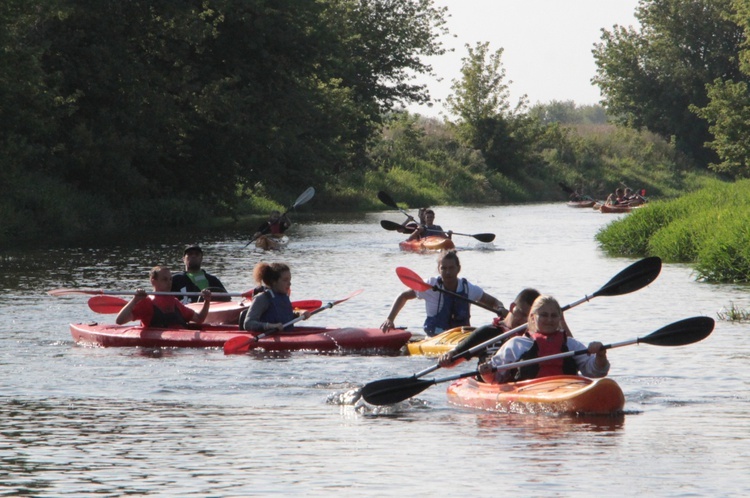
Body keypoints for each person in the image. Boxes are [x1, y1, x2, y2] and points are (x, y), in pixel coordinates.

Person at [477, 295, 609, 384]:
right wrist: (487, 373)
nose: (550, 320)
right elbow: (495, 378)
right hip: (528, 391)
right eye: (544, 315)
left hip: (566, 389)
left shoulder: (571, 344)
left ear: (559, 318)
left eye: (554, 316)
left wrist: (600, 356)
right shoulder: (517, 345)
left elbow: (596, 372)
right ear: (533, 317)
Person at [380, 250, 506, 337]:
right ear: (438, 269)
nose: (447, 272)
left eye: (451, 268)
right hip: (435, 338)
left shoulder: (469, 289)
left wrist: (500, 309)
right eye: (443, 268)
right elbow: (404, 296)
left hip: (461, 338)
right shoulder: (429, 285)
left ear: (458, 268)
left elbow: (494, 302)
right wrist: (390, 319)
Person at [438, 287, 542, 368]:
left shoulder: (533, 337)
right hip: (488, 383)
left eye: (529, 318)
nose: (524, 321)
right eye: (522, 314)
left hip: (520, 383)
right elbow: (454, 357)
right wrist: (447, 357)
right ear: (512, 307)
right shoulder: (487, 332)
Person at [116, 266, 212, 327]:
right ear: (153, 280)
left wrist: (207, 301)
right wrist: (134, 300)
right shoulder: (146, 303)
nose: (169, 283)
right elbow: (120, 321)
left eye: (170, 279)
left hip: (178, 344)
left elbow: (199, 319)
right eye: (165, 279)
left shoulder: (174, 301)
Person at [242, 262, 311, 332]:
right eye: (285, 280)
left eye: (289, 280)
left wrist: (299, 313)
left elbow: (284, 315)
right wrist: (269, 326)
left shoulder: (284, 296)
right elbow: (248, 324)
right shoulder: (262, 298)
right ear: (273, 282)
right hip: (268, 340)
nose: (289, 283)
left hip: (286, 336)